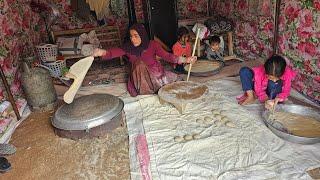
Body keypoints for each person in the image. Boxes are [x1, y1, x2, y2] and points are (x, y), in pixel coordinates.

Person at [93, 23, 197, 97]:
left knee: (178, 84)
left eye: (136, 36)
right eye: (131, 36)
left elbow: (168, 56)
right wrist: (102, 52)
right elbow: (112, 53)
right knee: (139, 64)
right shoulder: (128, 47)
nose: (133, 39)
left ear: (142, 35)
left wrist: (186, 59)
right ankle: (151, 88)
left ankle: (156, 86)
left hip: (156, 73)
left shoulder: (153, 44)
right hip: (140, 76)